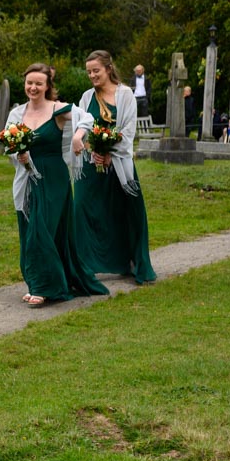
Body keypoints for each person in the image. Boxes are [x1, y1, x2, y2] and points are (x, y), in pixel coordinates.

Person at [4, 63, 107, 306]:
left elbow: (87, 118)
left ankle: (45, 287)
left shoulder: (58, 109)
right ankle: (36, 281)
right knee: (29, 230)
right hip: (27, 177)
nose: (33, 87)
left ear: (48, 86)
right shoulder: (17, 114)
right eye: (30, 82)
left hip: (53, 178)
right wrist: (18, 154)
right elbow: (8, 142)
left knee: (42, 230)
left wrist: (78, 137)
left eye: (39, 83)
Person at [73, 50, 157, 285]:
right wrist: (93, 150)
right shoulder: (86, 97)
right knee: (82, 210)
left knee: (127, 211)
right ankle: (85, 265)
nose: (92, 75)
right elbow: (82, 126)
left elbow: (129, 129)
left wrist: (110, 153)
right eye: (89, 72)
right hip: (91, 164)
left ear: (108, 68)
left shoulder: (126, 94)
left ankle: (131, 262)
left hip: (119, 163)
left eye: (96, 71)